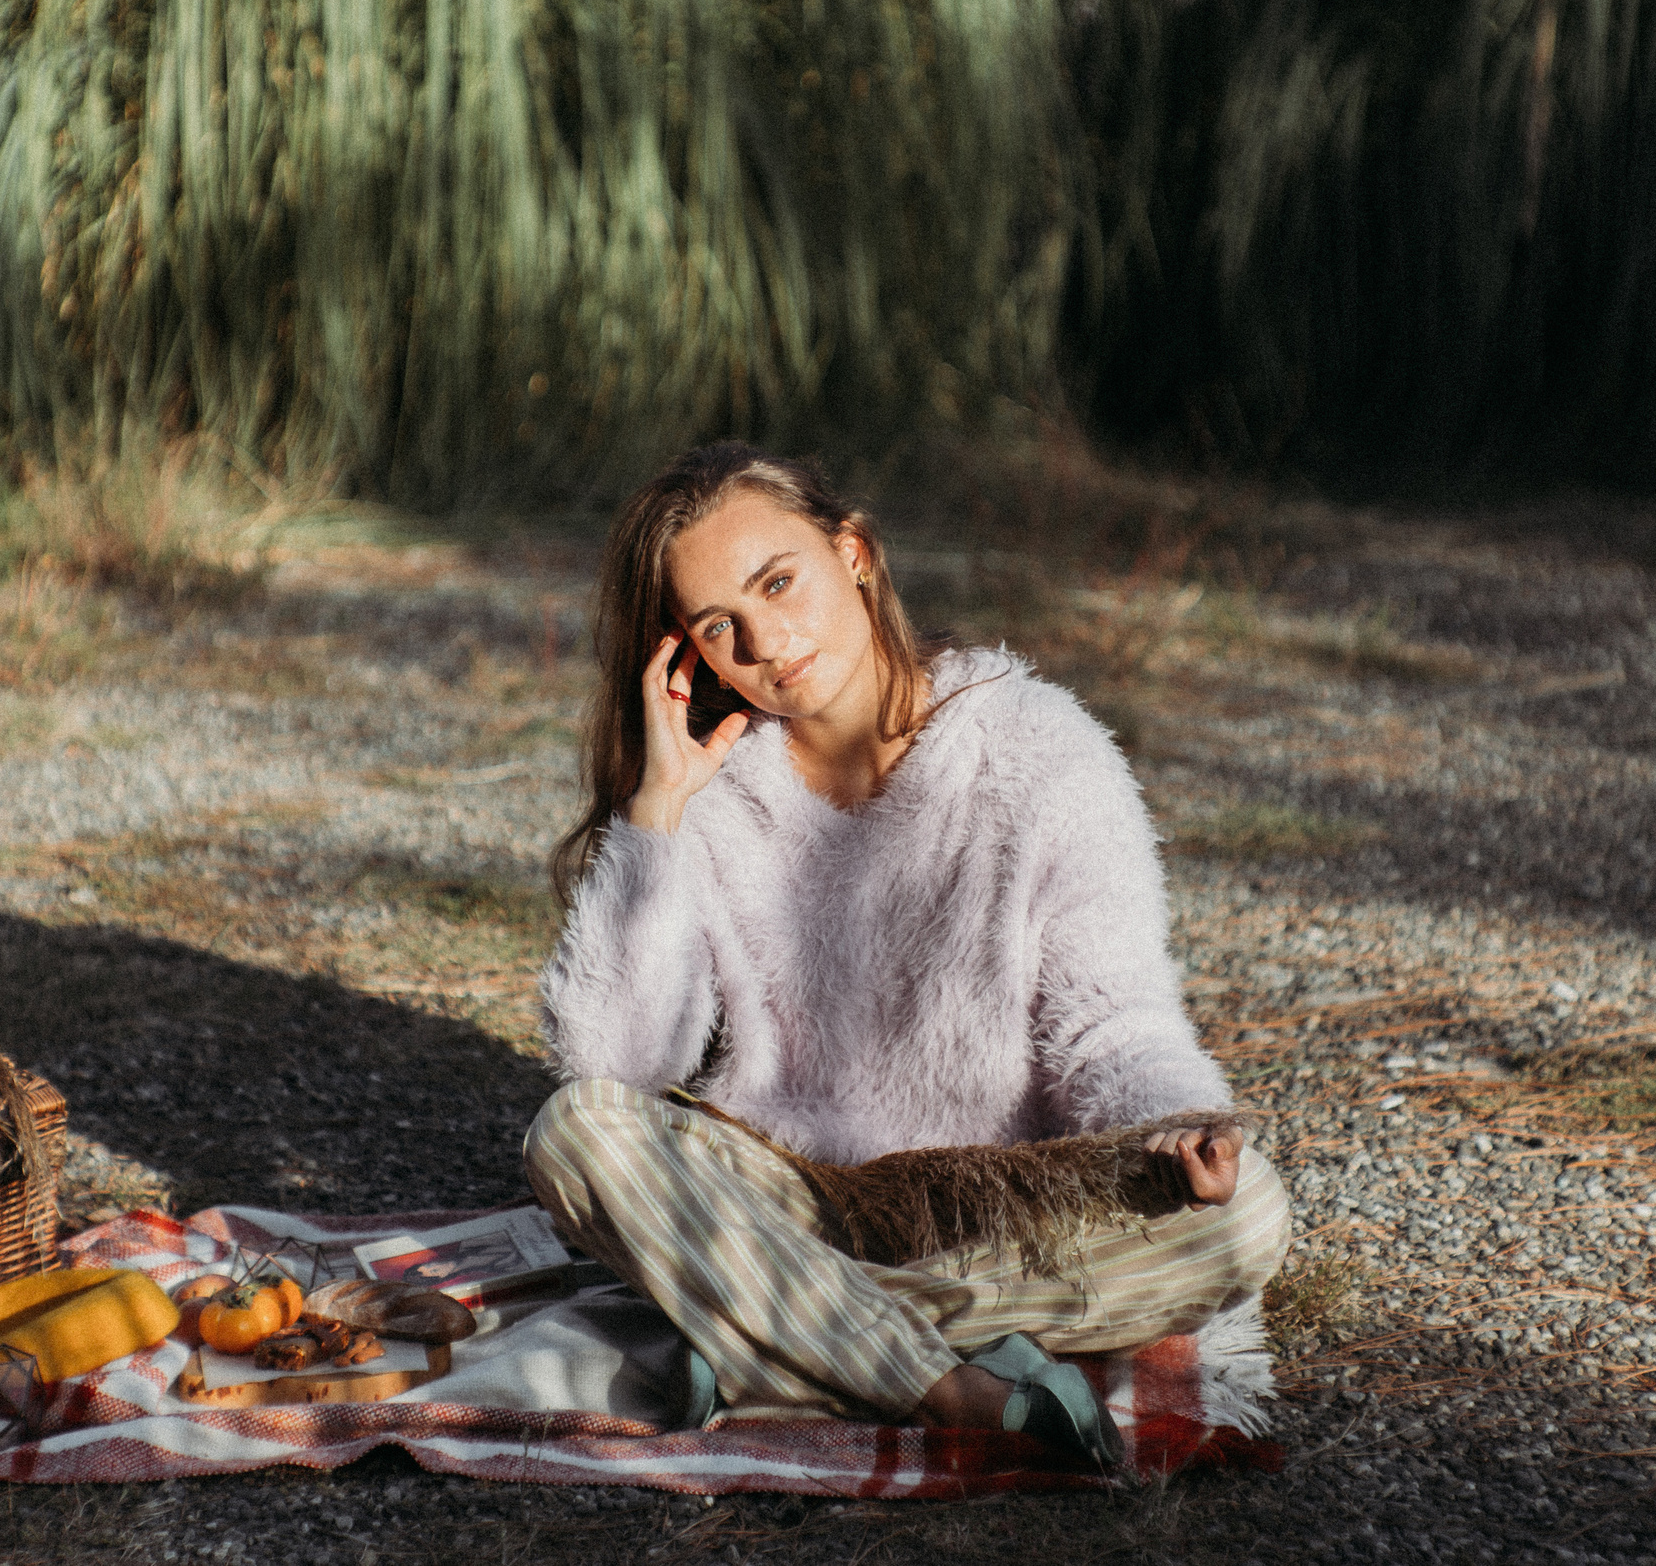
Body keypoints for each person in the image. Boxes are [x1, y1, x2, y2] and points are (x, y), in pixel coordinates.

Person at [524, 443, 1288, 1462]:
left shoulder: (1039, 748)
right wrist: (657, 811)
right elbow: (615, 1069)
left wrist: (1175, 1128)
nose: (766, 640)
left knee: (1249, 1218)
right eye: (720, 626)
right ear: (688, 654)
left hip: (1005, 1210)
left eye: (779, 582)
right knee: (573, 1133)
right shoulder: (711, 792)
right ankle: (948, 1385)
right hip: (793, 1196)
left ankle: (775, 1340)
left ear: (856, 554)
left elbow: (1112, 1020)